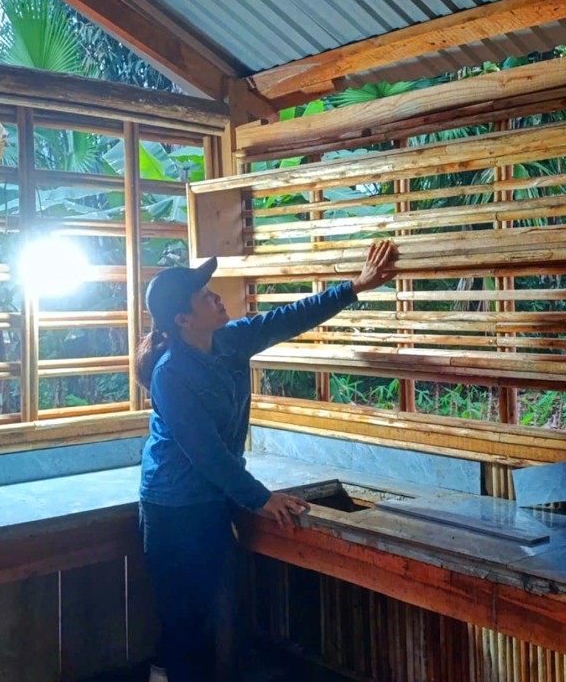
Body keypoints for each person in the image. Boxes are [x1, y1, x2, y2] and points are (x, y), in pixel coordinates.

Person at [135, 239, 398, 682]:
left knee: (213, 608)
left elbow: (289, 318)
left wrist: (356, 286)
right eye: (204, 296)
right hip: (174, 504)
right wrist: (261, 498)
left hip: (212, 496)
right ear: (182, 319)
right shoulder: (171, 374)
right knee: (184, 616)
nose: (216, 297)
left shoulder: (229, 340)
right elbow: (207, 455)